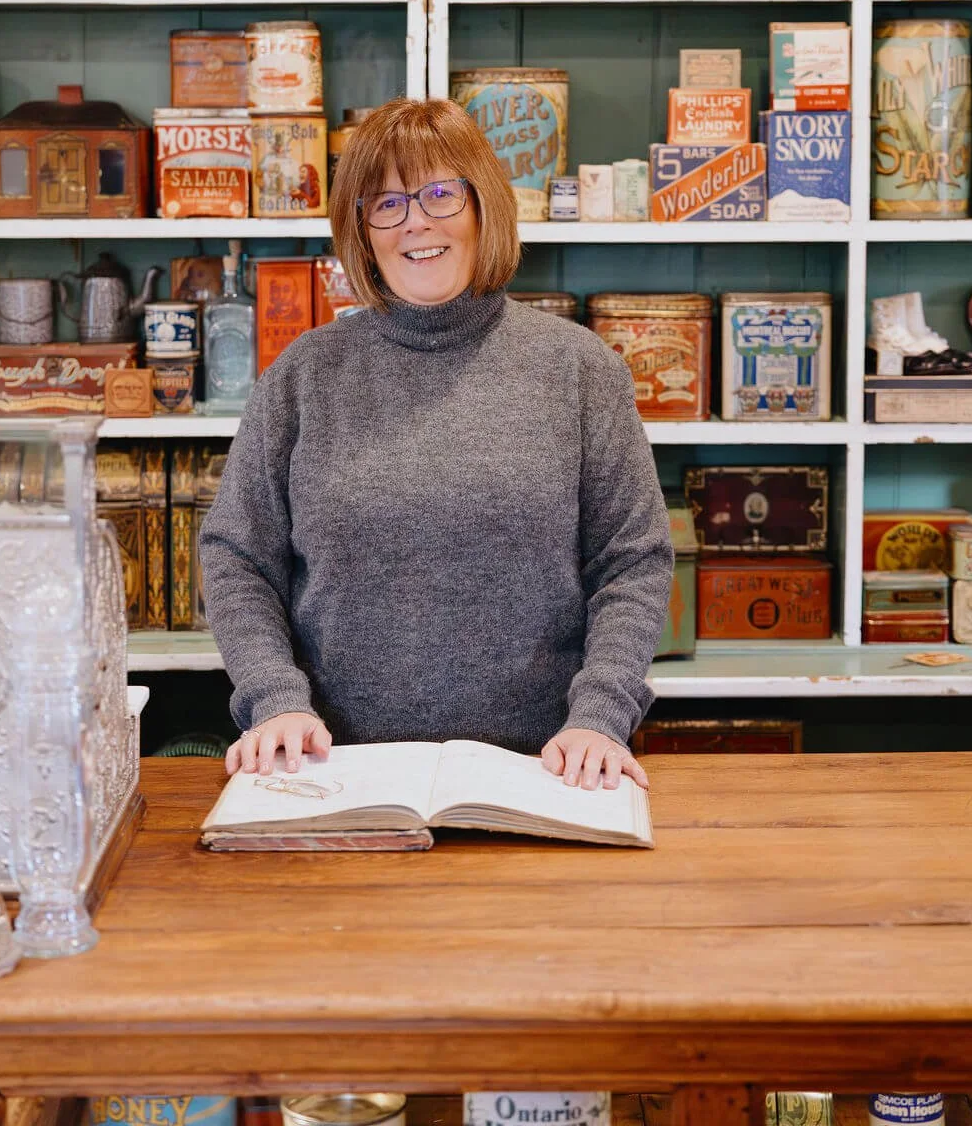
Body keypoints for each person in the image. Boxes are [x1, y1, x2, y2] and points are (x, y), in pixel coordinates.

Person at [200, 97, 674, 794]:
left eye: (440, 193)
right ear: (361, 231)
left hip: (547, 773)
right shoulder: (305, 374)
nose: (415, 221)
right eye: (384, 203)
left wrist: (600, 716)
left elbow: (632, 562)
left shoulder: (578, 369)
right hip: (333, 775)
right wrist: (275, 699)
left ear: (485, 207)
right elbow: (238, 558)